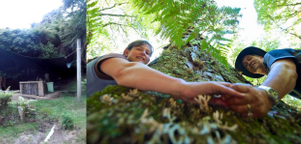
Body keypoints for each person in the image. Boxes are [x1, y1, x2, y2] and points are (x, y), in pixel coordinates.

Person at [86, 40, 244, 106]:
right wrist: (185, 88)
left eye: (148, 53)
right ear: (126, 51)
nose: (143, 54)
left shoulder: (143, 71)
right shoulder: (113, 58)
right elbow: (125, 71)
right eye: (139, 49)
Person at [227, 46, 301, 118]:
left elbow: (286, 69)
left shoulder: (271, 55)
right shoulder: (279, 81)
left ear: (260, 57)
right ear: (253, 72)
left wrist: (265, 94)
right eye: (246, 65)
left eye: (249, 58)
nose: (249, 62)